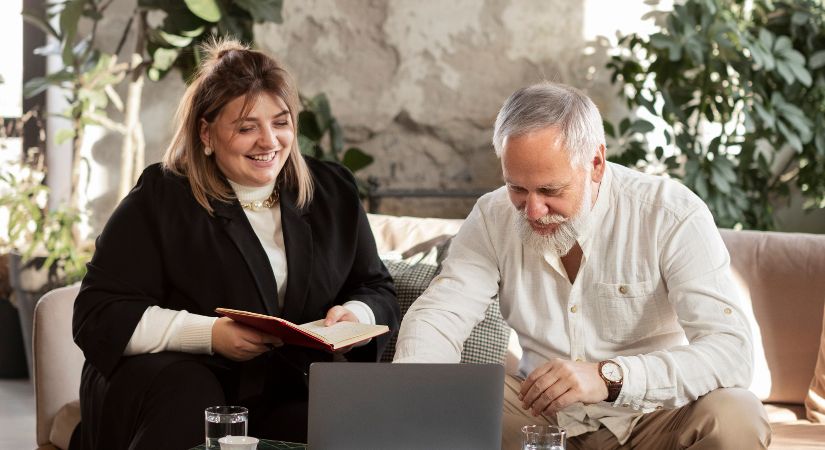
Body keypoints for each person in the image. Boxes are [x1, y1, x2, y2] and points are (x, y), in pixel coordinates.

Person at [393, 82, 771, 449]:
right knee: (442, 398)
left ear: (595, 163)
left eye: (550, 191)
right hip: (539, 419)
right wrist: (414, 395)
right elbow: (440, 314)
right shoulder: (492, 215)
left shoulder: (670, 213)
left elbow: (732, 352)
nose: (533, 210)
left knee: (737, 415)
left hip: (655, 417)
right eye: (518, 189)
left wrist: (610, 377)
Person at [72, 39, 399, 450]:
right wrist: (211, 334)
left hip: (280, 389)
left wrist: (355, 313)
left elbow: (376, 287)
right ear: (206, 133)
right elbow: (97, 314)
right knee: (192, 398)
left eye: (280, 122)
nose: (270, 142)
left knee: (344, 429)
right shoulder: (161, 197)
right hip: (170, 384)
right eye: (247, 128)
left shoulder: (332, 191)